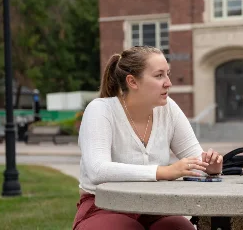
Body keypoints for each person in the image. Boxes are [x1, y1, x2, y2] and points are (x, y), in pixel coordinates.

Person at [72, 46, 224, 230]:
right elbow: (97, 170)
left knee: (181, 228)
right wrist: (163, 172)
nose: (168, 83)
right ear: (132, 82)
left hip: (154, 207)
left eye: (167, 74)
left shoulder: (169, 109)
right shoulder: (100, 110)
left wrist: (210, 166)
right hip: (104, 205)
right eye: (159, 75)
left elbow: (195, 159)